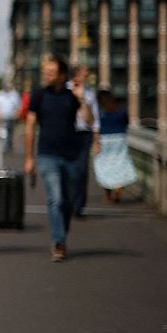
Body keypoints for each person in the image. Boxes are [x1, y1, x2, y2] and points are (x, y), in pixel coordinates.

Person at [24, 54, 95, 262]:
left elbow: (89, 120)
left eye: (51, 72)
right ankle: (59, 242)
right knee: (55, 198)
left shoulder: (71, 96)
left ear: (62, 75)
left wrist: (82, 98)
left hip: (72, 155)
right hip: (47, 154)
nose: (47, 75)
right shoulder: (39, 95)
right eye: (45, 72)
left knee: (68, 202)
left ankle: (61, 233)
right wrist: (29, 158)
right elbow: (29, 125)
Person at [93, 89, 137, 203]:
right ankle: (118, 188)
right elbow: (126, 122)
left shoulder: (98, 110)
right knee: (120, 163)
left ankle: (108, 193)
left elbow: (94, 126)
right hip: (120, 139)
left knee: (104, 166)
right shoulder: (120, 109)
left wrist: (96, 142)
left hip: (104, 139)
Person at [69, 65, 100, 218]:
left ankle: (78, 206)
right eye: (84, 74)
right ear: (76, 75)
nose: (87, 76)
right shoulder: (66, 90)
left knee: (81, 171)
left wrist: (97, 141)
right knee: (68, 170)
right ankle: (68, 202)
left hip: (84, 134)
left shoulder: (89, 94)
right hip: (68, 134)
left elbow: (95, 119)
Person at [0, 80, 22, 154]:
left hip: (11, 118)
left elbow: (19, 106)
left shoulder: (14, 94)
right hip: (1, 119)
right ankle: (2, 147)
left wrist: (17, 114)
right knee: (2, 133)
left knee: (10, 133)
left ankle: (9, 147)